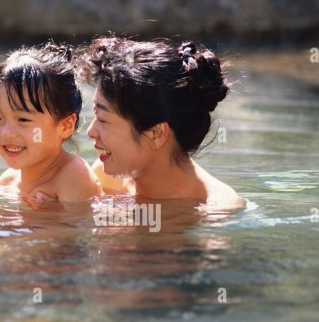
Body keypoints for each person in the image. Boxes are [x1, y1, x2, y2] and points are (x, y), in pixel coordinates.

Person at [78, 35, 243, 207]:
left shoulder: (216, 211)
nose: (90, 132)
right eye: (95, 114)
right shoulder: (106, 179)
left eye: (103, 120)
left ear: (155, 134)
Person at [0, 43, 101, 207]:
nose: (6, 133)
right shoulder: (10, 179)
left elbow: (76, 229)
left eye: (23, 120)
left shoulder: (73, 175)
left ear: (65, 126)